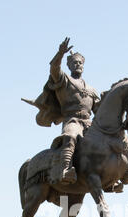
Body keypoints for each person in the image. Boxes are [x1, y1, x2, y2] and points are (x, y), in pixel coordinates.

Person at [23, 38, 100, 184]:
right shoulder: (64, 80)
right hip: (73, 121)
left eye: (80, 63)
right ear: (69, 65)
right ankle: (65, 170)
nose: (78, 64)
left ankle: (111, 177)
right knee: (70, 136)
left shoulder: (91, 90)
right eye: (74, 63)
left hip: (89, 124)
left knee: (105, 141)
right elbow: (54, 69)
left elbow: (98, 110)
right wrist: (60, 54)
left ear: (83, 66)